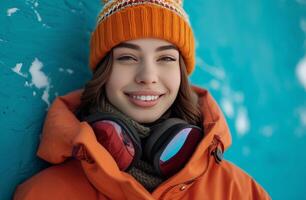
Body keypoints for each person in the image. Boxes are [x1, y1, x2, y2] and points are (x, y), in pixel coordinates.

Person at [14, 0, 270, 199]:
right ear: (105, 71)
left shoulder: (240, 193)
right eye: (127, 57)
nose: (148, 76)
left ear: (181, 73)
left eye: (166, 58)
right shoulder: (42, 194)